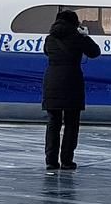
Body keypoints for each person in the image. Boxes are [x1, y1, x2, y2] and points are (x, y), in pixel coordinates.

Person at [43, 9, 101, 170]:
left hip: (52, 82)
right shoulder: (78, 38)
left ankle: (51, 161)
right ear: (75, 23)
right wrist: (85, 35)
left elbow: (47, 53)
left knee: (53, 123)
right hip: (72, 82)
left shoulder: (49, 39)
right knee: (71, 123)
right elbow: (95, 52)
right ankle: (67, 161)